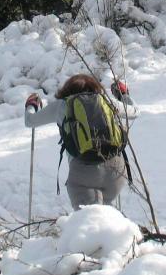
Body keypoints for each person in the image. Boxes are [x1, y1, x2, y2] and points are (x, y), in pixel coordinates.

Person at [24, 74, 136, 210]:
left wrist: (31, 104)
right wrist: (122, 94)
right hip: (117, 171)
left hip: (83, 172)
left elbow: (30, 121)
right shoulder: (105, 100)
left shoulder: (62, 105)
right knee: (107, 215)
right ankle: (125, 230)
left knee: (91, 220)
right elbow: (135, 111)